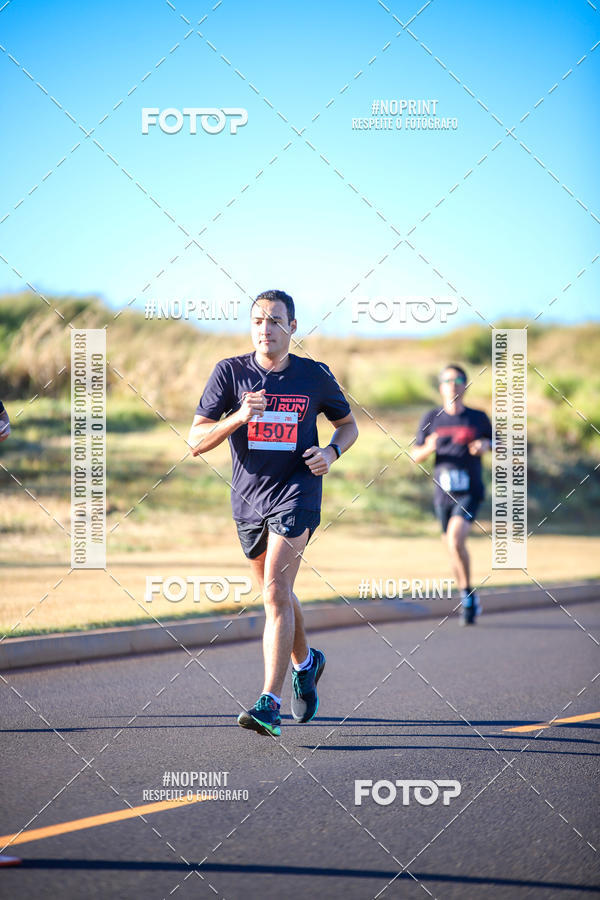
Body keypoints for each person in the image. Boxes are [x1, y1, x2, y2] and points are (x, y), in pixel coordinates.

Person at [188, 290, 358, 736]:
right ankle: (307, 662)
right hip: (248, 500)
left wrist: (331, 452)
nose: (266, 329)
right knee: (274, 592)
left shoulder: (314, 375)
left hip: (298, 492)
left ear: (292, 327)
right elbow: (196, 442)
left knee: (276, 591)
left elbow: (348, 425)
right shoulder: (230, 372)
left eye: (276, 321)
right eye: (258, 321)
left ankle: (269, 703)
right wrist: (238, 416)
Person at [412, 365, 492, 625]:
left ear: (465, 385)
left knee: (456, 539)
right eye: (447, 380)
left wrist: (486, 445)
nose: (453, 384)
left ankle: (467, 597)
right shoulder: (431, 417)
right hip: (443, 493)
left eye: (458, 379)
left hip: (469, 490)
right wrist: (429, 447)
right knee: (452, 547)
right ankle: (467, 595)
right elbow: (415, 455)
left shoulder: (477, 417)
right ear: (440, 387)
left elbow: (499, 443)